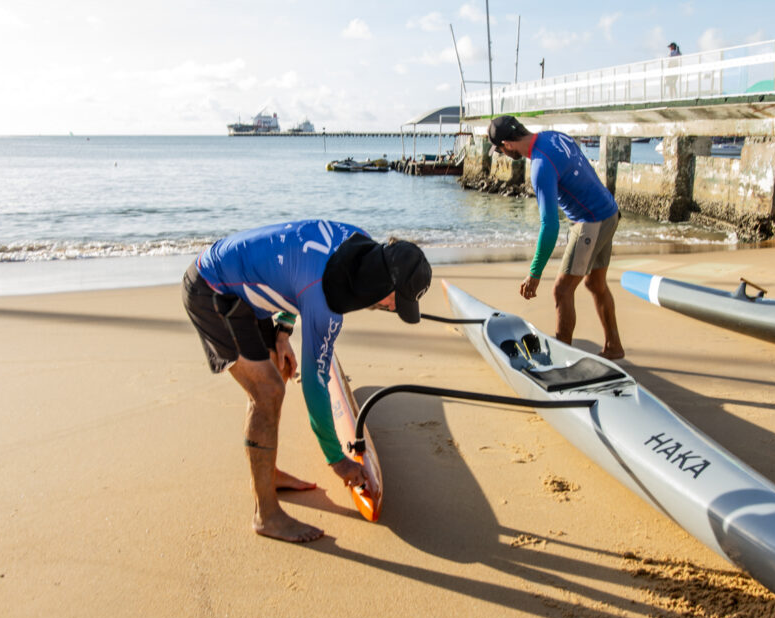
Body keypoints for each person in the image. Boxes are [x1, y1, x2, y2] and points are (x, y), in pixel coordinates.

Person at [182, 220, 432, 543]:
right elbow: (316, 383)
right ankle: (266, 515)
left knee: (274, 372)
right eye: (394, 300)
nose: (390, 308)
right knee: (268, 390)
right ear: (382, 283)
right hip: (212, 288)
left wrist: (283, 330)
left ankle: (266, 474)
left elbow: (294, 268)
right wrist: (337, 460)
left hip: (246, 290)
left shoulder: (360, 244)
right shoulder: (327, 301)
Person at [487, 115, 624, 359]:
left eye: (499, 150)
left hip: (591, 221)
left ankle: (563, 357)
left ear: (507, 144)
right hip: (609, 211)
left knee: (562, 290)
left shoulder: (541, 166)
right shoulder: (553, 136)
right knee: (595, 284)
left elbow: (549, 225)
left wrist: (535, 273)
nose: (502, 154)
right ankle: (614, 346)